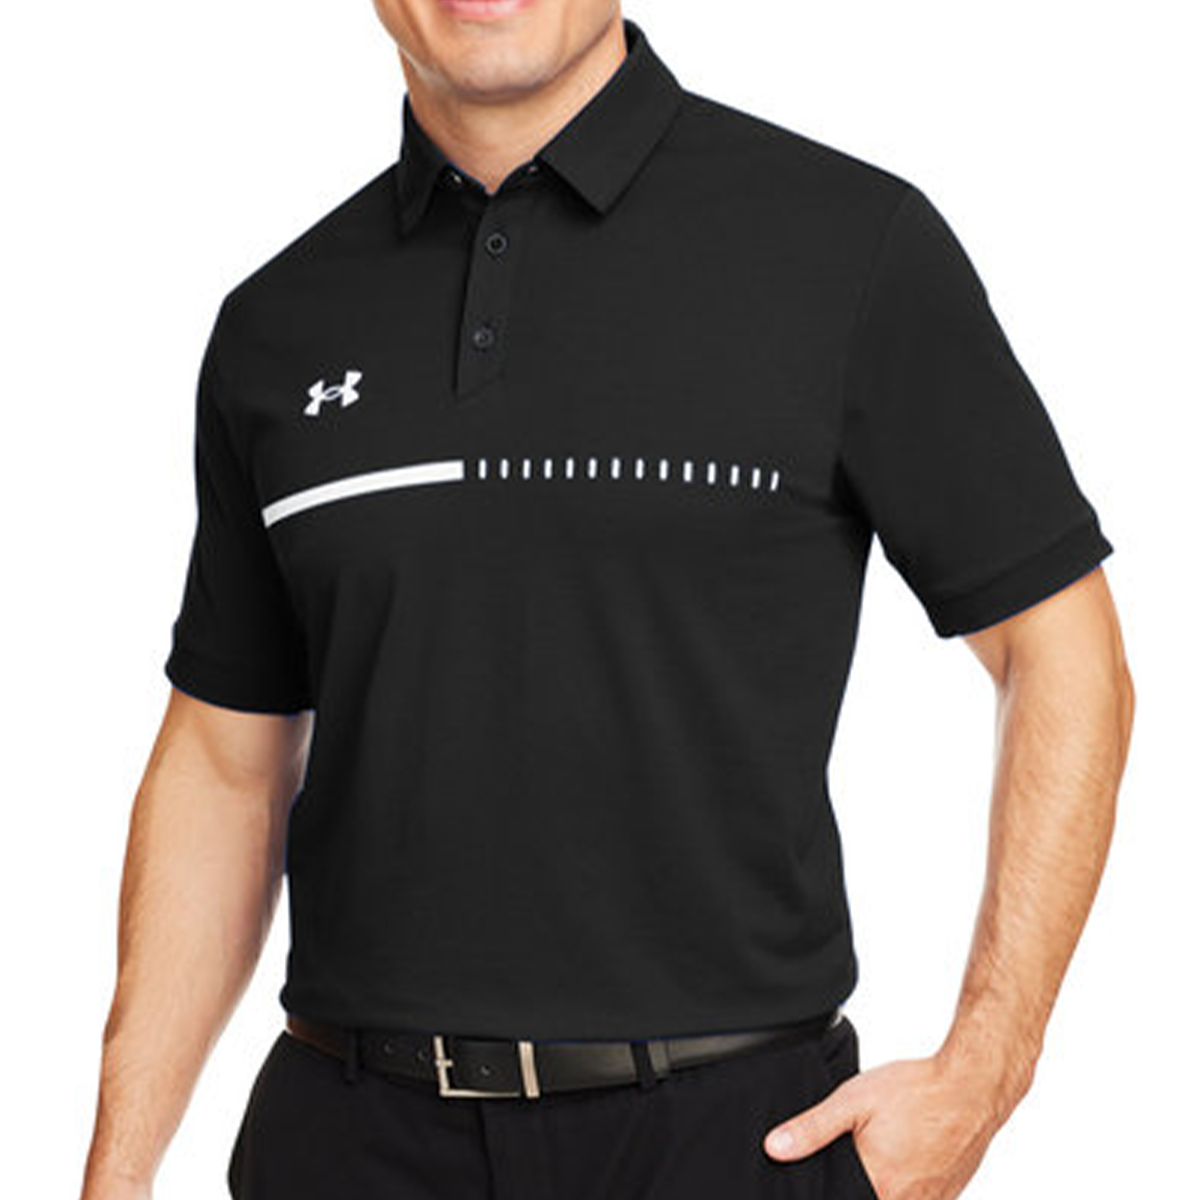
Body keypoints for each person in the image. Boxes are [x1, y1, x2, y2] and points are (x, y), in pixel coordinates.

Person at [78, 5, 1135, 1199]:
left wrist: (986, 1070)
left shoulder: (846, 245)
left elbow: (1059, 646)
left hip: (725, 1141)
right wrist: (116, 1173)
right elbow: (225, 763)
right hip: (347, 1141)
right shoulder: (277, 323)